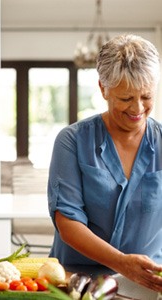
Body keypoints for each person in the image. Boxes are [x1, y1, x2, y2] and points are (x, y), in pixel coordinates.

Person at [48, 34, 162, 292]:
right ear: (103, 89)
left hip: (147, 285)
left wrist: (132, 270)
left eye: (146, 96)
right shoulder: (72, 141)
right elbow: (68, 223)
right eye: (125, 99)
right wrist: (122, 263)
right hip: (77, 284)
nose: (137, 109)